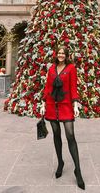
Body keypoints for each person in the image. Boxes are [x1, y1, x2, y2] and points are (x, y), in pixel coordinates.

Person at [40, 46, 85, 190]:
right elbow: (47, 86)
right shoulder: (52, 69)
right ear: (56, 54)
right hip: (52, 105)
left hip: (65, 105)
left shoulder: (71, 68)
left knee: (70, 135)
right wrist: (43, 102)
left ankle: (77, 170)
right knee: (56, 135)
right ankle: (60, 163)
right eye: (58, 53)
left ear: (66, 55)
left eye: (63, 53)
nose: (60, 55)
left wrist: (76, 103)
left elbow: (73, 87)